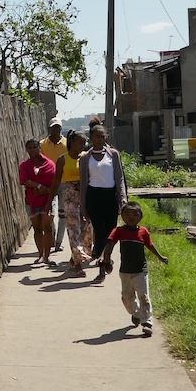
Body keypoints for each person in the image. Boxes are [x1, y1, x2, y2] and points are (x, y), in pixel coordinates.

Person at [102, 202, 167, 336]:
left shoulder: (143, 232)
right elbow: (109, 245)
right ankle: (136, 314)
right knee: (126, 298)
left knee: (144, 296)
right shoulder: (119, 231)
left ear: (141, 217)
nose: (131, 217)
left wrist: (161, 257)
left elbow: (150, 246)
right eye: (127, 214)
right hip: (125, 272)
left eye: (135, 214)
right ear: (122, 216)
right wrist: (106, 260)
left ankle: (147, 322)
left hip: (140, 271)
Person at [81, 123, 129, 283]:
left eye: (103, 136)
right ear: (91, 138)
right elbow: (83, 184)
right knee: (100, 231)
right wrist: (83, 205)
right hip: (94, 198)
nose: (100, 139)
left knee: (111, 233)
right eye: (97, 136)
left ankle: (106, 257)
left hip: (110, 197)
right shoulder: (85, 158)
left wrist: (123, 197)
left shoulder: (113, 154)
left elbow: (119, 177)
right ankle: (102, 268)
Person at [52, 130, 92, 276]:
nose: (83, 145)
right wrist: (49, 201)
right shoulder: (63, 159)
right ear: (72, 143)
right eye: (80, 143)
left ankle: (74, 258)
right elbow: (56, 181)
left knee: (87, 229)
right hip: (69, 195)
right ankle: (78, 264)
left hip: (85, 194)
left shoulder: (86, 158)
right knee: (73, 229)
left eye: (84, 143)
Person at [18, 139, 56, 266]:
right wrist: (39, 186)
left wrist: (45, 191)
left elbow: (54, 183)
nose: (32, 150)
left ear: (39, 147)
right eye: (29, 148)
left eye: (34, 147)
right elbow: (24, 180)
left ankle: (47, 256)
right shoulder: (24, 166)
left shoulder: (50, 164)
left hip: (47, 200)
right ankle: (40, 255)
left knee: (48, 227)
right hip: (32, 200)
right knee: (37, 228)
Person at [38, 117, 68, 257]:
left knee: (63, 214)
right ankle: (52, 236)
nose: (56, 129)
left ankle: (58, 242)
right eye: (53, 127)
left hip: (64, 182)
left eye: (58, 127)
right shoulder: (42, 144)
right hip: (48, 184)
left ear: (61, 128)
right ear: (49, 129)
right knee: (49, 214)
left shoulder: (67, 144)